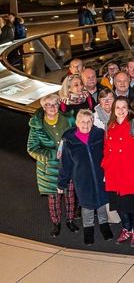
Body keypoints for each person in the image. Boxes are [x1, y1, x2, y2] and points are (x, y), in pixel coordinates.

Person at [58, 109, 113, 245]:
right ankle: (88, 228)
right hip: (82, 179)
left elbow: (108, 153)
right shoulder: (69, 141)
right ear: (77, 122)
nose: (85, 124)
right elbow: (66, 163)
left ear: (93, 122)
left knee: (101, 202)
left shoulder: (99, 134)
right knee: (87, 205)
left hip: (100, 176)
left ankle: (104, 224)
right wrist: (62, 183)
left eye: (89, 122)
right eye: (82, 121)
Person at [27, 93, 77, 237]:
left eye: (55, 104)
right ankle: (56, 223)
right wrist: (50, 156)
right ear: (43, 107)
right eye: (48, 105)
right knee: (54, 198)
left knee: (70, 195)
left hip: (68, 165)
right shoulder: (37, 125)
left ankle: (70, 220)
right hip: (49, 169)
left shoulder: (68, 119)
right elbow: (31, 148)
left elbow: (76, 137)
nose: (52, 107)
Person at [102, 97, 134, 247]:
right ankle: (126, 228)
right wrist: (105, 166)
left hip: (132, 172)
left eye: (124, 107)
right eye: (118, 108)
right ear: (113, 111)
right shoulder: (110, 127)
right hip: (114, 172)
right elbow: (106, 150)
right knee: (120, 204)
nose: (121, 111)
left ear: (128, 109)